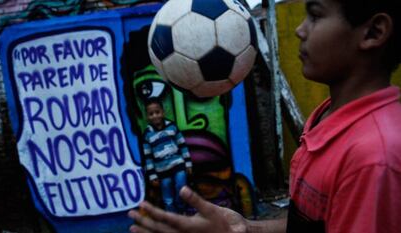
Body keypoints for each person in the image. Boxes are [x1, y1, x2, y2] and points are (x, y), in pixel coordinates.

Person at [128, 0, 401, 232]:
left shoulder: (373, 159)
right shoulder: (328, 117)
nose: (299, 29)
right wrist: (245, 228)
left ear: (373, 32)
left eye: (315, 15)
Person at [142, 97, 193, 214]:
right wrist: (152, 176)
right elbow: (148, 157)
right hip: (162, 170)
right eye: (151, 114)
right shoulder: (147, 135)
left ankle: (181, 211)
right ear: (147, 116)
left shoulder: (172, 127)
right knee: (167, 199)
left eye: (157, 112)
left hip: (178, 164)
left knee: (181, 188)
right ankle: (173, 219)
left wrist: (188, 163)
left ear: (163, 112)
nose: (155, 116)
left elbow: (182, 145)